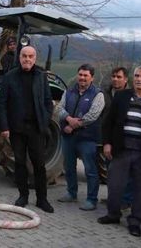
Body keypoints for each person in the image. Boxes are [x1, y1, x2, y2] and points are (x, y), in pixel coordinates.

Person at [98, 65, 141, 238]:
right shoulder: (121, 96)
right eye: (137, 75)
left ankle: (135, 221)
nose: (139, 79)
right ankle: (113, 215)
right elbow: (108, 122)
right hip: (121, 151)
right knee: (114, 185)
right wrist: (107, 143)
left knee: (140, 190)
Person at [0, 46, 54, 213]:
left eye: (30, 56)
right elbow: (2, 104)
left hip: (36, 128)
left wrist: (45, 120)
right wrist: (5, 126)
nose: (27, 59)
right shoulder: (9, 77)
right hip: (17, 128)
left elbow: (48, 101)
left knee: (39, 164)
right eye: (24, 56)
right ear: (19, 57)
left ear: (35, 59)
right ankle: (23, 196)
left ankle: (42, 199)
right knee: (20, 163)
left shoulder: (41, 77)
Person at [56, 64, 105, 211]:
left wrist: (73, 125)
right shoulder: (69, 91)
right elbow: (59, 108)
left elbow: (93, 115)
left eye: (86, 75)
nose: (82, 78)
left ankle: (91, 199)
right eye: (80, 74)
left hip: (87, 138)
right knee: (69, 167)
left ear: (92, 77)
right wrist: (68, 119)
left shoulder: (98, 94)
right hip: (68, 137)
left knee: (90, 169)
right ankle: (71, 193)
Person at [102, 66, 133, 209]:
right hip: (108, 138)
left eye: (119, 77)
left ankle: (126, 200)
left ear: (126, 79)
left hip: (125, 140)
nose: (115, 79)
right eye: (114, 76)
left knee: (126, 174)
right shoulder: (105, 93)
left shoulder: (132, 95)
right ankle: (113, 198)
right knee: (111, 171)